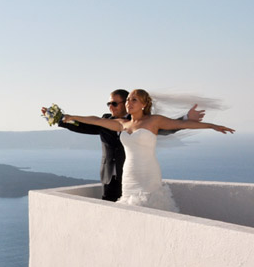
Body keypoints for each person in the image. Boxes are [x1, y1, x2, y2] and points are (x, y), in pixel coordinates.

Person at [62, 89, 234, 212]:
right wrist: (71, 117)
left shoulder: (154, 121)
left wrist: (212, 126)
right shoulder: (122, 124)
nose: (129, 103)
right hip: (128, 174)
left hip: (147, 172)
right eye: (128, 99)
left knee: (151, 208)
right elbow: (95, 120)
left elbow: (181, 124)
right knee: (128, 209)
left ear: (144, 104)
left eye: (133, 100)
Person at [42, 89, 204, 202]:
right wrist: (58, 118)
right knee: (109, 209)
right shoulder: (105, 120)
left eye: (114, 103)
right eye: (108, 104)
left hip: (134, 177)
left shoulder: (141, 121)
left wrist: (185, 119)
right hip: (109, 176)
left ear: (125, 103)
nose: (110, 107)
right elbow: (84, 126)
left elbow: (165, 129)